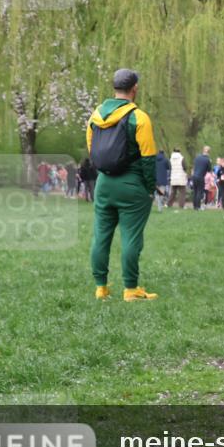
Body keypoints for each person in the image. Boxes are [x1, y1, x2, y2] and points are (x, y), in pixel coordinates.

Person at [86, 68, 161, 301]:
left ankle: (101, 287)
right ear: (134, 88)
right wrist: (149, 189)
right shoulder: (139, 117)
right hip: (132, 185)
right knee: (131, 237)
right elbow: (148, 158)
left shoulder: (95, 116)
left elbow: (92, 151)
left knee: (100, 236)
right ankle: (130, 289)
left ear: (114, 88)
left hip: (104, 184)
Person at [191, 145, 212, 210]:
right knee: (199, 192)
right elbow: (209, 170)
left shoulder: (197, 157)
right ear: (209, 152)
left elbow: (194, 166)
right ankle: (198, 206)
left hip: (194, 176)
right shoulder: (207, 160)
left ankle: (194, 206)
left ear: (203, 150)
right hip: (201, 177)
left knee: (195, 191)